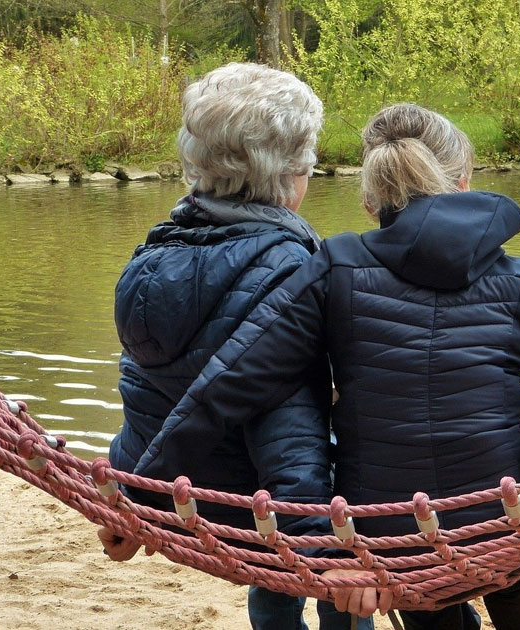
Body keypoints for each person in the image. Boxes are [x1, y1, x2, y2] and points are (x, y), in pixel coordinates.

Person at [137, 104, 520, 630]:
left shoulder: (333, 268)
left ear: (371, 200)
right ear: (462, 182)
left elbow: (228, 385)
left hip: (390, 542)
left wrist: (141, 495)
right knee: (517, 565)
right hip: (504, 524)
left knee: (417, 590)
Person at [98, 62, 370, 630]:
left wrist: (130, 498)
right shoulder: (294, 271)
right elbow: (290, 430)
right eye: (309, 164)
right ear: (291, 175)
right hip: (270, 509)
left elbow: (144, 396)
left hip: (189, 498)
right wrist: (322, 554)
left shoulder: (148, 260)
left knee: (273, 583)